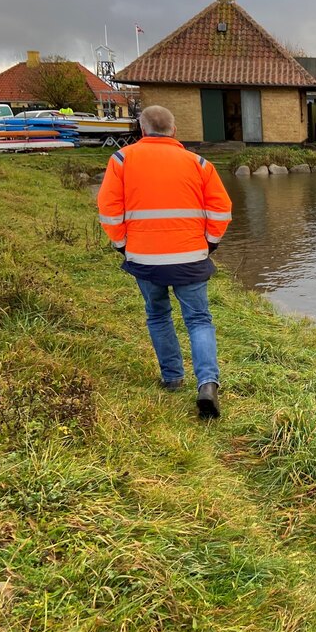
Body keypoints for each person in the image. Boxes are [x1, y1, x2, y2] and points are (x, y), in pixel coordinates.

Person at [97, 105, 232, 419]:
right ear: (174, 131)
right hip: (190, 256)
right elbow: (222, 209)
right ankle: (208, 383)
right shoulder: (198, 163)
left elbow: (109, 209)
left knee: (158, 315)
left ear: (142, 131)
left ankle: (172, 378)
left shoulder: (121, 160)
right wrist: (209, 243)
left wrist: (123, 245)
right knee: (198, 319)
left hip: (144, 258)